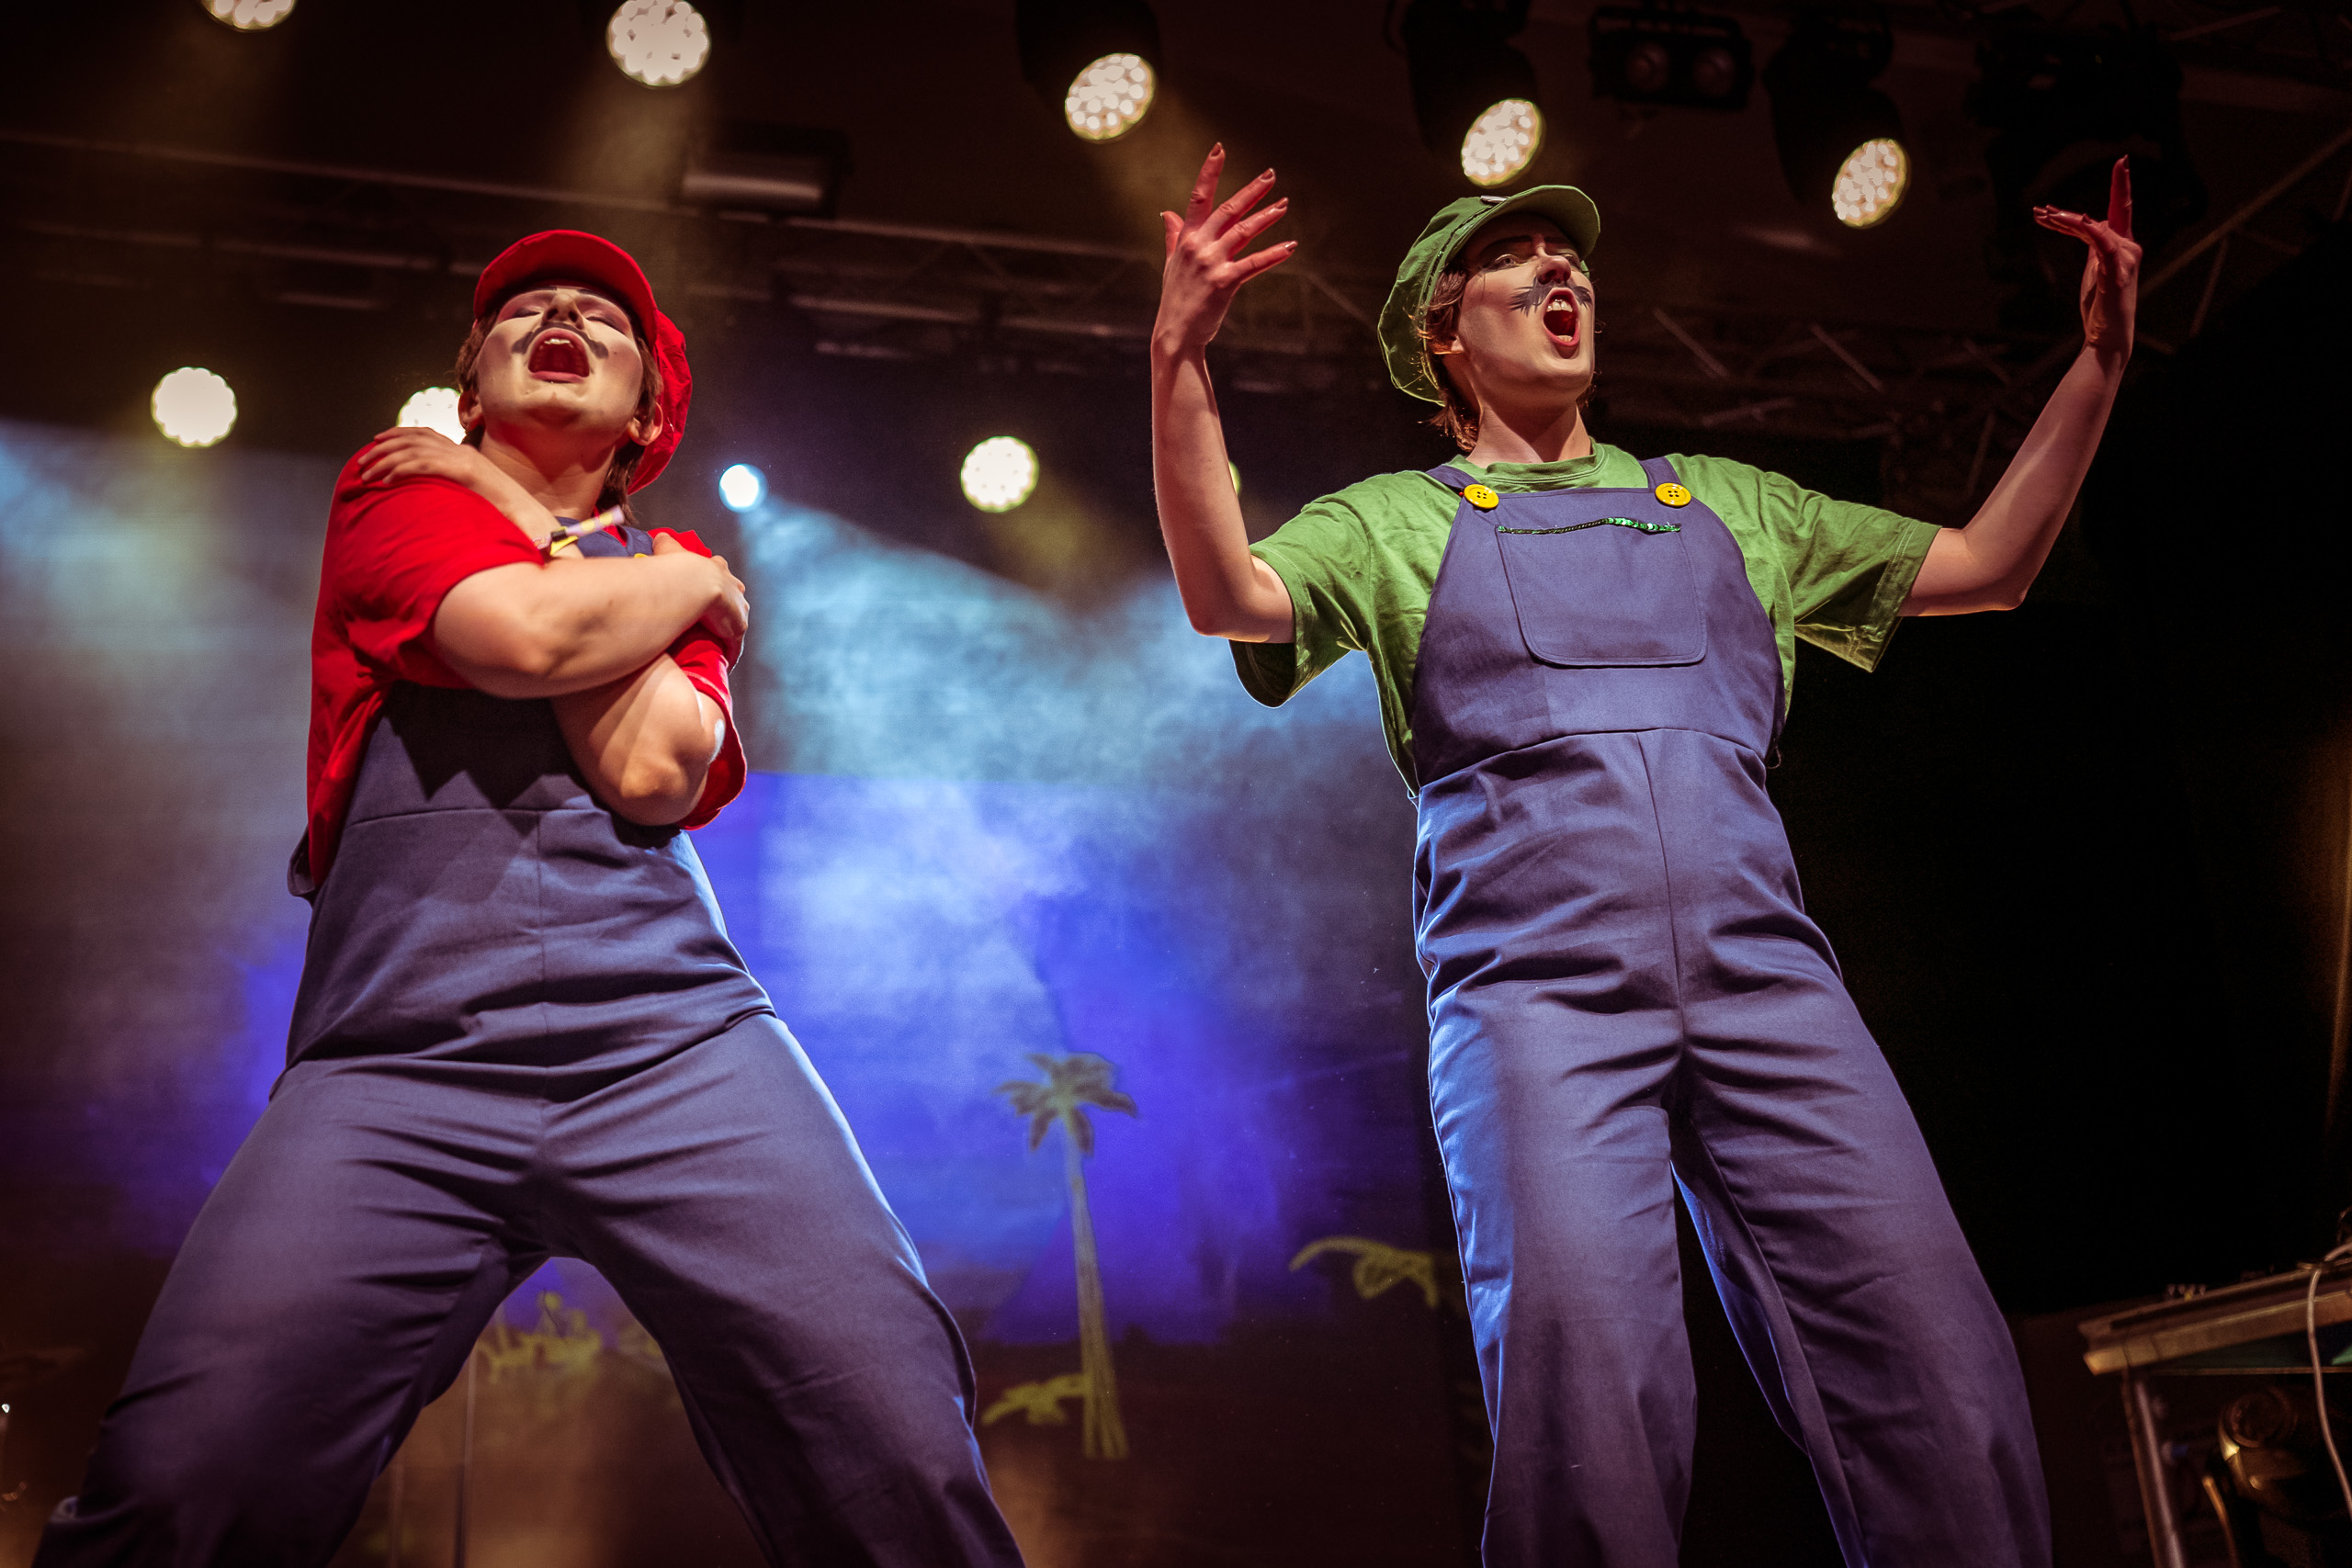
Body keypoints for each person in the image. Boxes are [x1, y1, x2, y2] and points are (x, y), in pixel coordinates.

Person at [1150, 146, 2139, 1566]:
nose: (1563, 267)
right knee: (1587, 1402)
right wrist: (1180, 361)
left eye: (1570, 255)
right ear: (1444, 332)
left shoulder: (1729, 504)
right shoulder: (1395, 522)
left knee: (1939, 1365)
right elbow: (1225, 594)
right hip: (1536, 1005)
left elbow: (1992, 565)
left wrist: (2098, 366)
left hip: (1771, 990)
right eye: (1515, 257)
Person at [37, 231, 1025, 1568]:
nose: (560, 311)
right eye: (524, 308)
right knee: (179, 1485)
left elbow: (653, 771)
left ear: (649, 415)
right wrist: (693, 586)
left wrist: (590, 542)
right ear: (470, 385)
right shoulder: (401, 493)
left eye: (604, 317)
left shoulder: (655, 550)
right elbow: (524, 640)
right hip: (400, 1063)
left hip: (674, 1044)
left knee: (900, 1457)